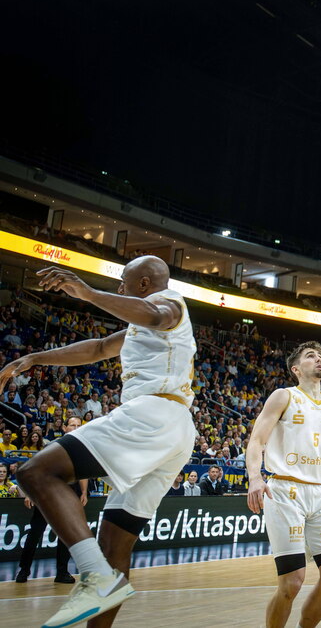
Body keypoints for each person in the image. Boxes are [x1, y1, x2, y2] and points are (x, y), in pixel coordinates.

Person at [0, 256, 197, 628]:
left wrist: (89, 293)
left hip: (152, 415)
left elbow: (158, 315)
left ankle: (93, 574)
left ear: (142, 284)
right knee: (114, 547)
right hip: (176, 430)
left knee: (35, 472)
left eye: (123, 282)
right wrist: (33, 358)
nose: (119, 289)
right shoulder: (142, 328)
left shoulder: (170, 303)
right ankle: (102, 580)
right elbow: (97, 348)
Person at [245, 341, 321, 628]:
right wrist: (254, 477)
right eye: (311, 356)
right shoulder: (283, 396)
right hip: (286, 491)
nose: (319, 360)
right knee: (291, 583)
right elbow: (257, 441)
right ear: (296, 368)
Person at [16, 415, 88, 584]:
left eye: (78, 425)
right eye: (72, 425)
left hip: (69, 494)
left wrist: (84, 492)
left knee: (66, 536)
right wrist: (29, 493)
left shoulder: (83, 448)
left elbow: (84, 472)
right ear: (64, 427)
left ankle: (62, 572)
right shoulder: (55, 446)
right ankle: (24, 570)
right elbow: (34, 469)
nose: (75, 428)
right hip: (47, 495)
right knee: (35, 533)